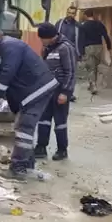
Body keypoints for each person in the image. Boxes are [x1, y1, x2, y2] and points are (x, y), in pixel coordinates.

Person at [0, 26, 58, 180]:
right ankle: (27, 165)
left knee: (24, 127)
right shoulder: (2, 50)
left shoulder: (10, 46)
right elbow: (2, 77)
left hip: (37, 89)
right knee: (22, 126)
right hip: (33, 90)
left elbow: (8, 73)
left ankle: (19, 168)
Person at [34, 23, 77, 161]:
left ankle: (62, 150)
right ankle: (41, 147)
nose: (41, 41)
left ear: (49, 37)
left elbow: (70, 72)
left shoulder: (66, 48)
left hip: (60, 91)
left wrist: (65, 92)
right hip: (47, 90)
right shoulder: (47, 48)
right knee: (43, 120)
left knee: (60, 122)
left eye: (42, 38)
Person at [77, 8, 111, 94]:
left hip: (88, 47)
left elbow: (81, 39)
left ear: (85, 15)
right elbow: (106, 36)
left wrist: (80, 52)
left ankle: (93, 84)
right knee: (95, 66)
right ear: (93, 15)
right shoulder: (99, 24)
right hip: (98, 47)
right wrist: (109, 46)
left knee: (90, 67)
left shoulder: (83, 26)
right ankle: (92, 84)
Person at [56, 5, 81, 102]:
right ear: (66, 12)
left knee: (71, 73)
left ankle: (69, 93)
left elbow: (79, 40)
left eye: (73, 13)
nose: (71, 15)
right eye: (69, 12)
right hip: (59, 50)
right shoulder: (60, 23)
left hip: (72, 52)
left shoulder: (77, 26)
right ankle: (57, 90)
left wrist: (79, 53)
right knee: (59, 71)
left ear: (75, 14)